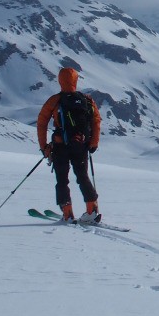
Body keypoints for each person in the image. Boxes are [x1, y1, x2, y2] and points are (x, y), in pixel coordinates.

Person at [37, 66, 102, 222]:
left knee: (62, 179)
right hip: (81, 146)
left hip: (60, 146)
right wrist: (93, 143)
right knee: (83, 177)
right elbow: (96, 122)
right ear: (76, 80)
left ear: (60, 80)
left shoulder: (55, 100)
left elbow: (41, 123)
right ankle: (92, 210)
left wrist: (44, 146)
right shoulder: (87, 100)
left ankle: (67, 213)